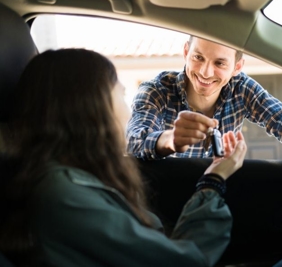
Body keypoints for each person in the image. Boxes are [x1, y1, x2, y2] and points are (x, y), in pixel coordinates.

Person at [0, 48, 247, 266]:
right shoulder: (63, 194)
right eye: (120, 94)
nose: (127, 110)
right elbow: (185, 261)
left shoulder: (75, 178)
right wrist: (213, 180)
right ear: (92, 107)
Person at [126, 35, 282, 169]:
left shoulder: (241, 88)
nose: (205, 72)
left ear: (237, 68)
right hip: (163, 198)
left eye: (219, 63)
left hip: (218, 191)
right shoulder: (156, 90)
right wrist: (170, 139)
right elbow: (134, 143)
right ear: (185, 52)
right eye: (198, 57)